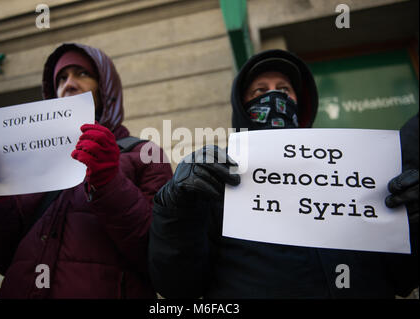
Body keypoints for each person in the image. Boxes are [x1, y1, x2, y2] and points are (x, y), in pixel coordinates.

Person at [148, 49, 419, 298]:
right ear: (242, 106)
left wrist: (413, 222)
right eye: (259, 91)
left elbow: (402, 276)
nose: (275, 97)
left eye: (284, 89)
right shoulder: (216, 174)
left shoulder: (352, 170)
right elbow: (178, 287)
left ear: (301, 103)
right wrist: (177, 207)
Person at [0, 43, 173, 298]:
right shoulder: (27, 158)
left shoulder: (144, 154)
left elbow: (162, 255)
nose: (69, 84)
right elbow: (2, 258)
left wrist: (110, 183)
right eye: (62, 78)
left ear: (107, 89)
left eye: (82, 74)